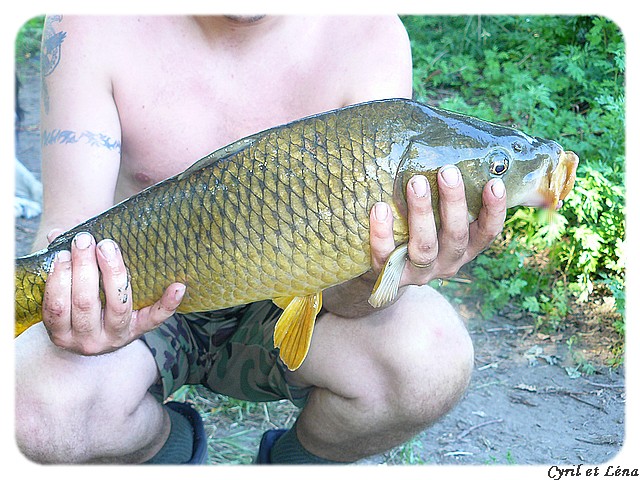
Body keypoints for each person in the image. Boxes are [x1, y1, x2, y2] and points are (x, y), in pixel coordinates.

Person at [15, 15, 507, 464]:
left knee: (431, 357)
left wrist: (384, 278)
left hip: (302, 300)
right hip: (142, 295)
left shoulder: (367, 32)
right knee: (31, 411)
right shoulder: (85, 23)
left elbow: (349, 295)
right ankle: (170, 456)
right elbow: (70, 229)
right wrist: (76, 308)